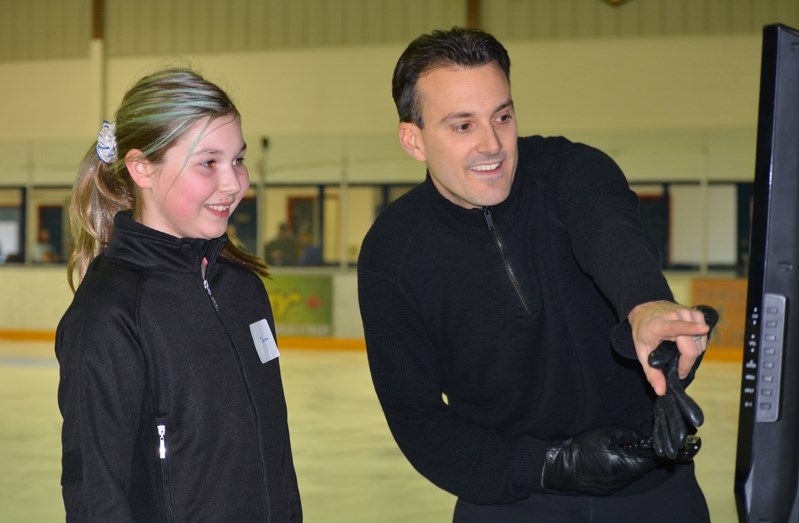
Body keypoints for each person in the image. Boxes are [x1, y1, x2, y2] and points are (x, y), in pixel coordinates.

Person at [357, 27, 714, 522]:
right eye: (462, 126)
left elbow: (610, 235)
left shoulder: (572, 172)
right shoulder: (392, 253)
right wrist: (550, 466)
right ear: (412, 140)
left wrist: (646, 305)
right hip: (509, 502)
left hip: (653, 491)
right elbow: (418, 422)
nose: (492, 144)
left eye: (502, 116)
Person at [56, 67, 302, 521]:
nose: (233, 183)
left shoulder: (243, 289)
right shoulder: (111, 311)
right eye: (209, 162)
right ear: (142, 168)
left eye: (238, 160)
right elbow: (95, 491)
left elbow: (276, 456)